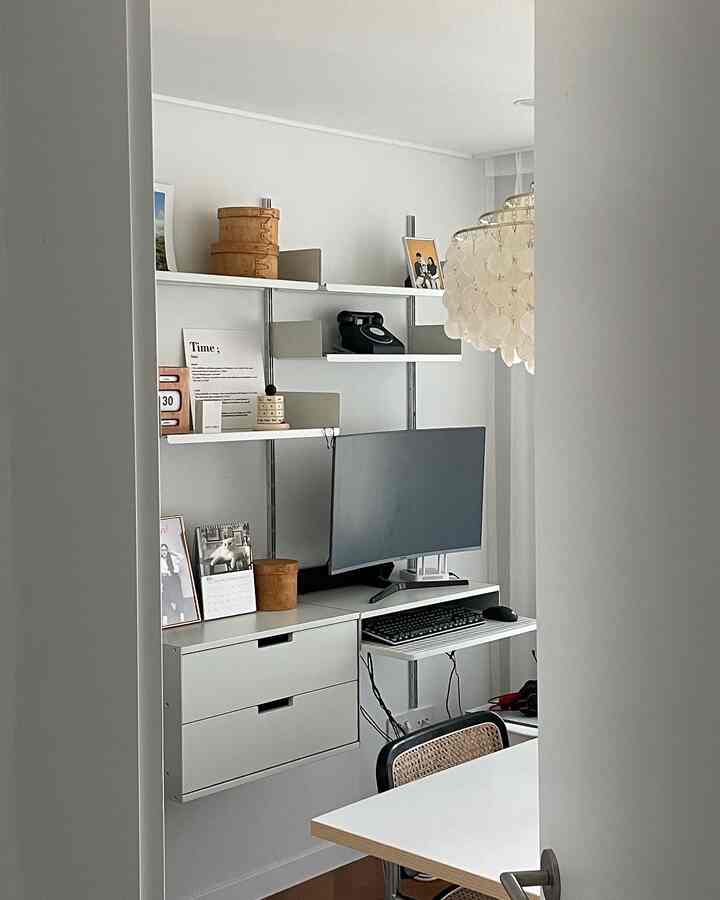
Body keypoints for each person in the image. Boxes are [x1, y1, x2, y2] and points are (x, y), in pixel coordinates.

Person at [160, 542, 188, 625]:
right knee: (165, 596)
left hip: (175, 578)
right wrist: (166, 573)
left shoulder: (172, 557)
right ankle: (165, 617)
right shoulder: (159, 560)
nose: (164, 552)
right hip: (165, 579)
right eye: (162, 550)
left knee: (178, 595)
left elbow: (182, 557)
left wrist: (172, 552)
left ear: (167, 550)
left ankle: (181, 615)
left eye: (165, 550)